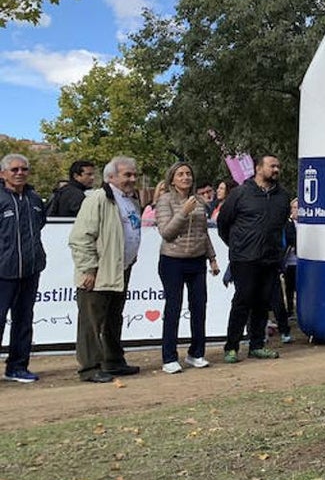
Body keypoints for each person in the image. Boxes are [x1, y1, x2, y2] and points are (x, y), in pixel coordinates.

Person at [69, 156, 143, 383]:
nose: (132, 179)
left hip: (121, 268)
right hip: (99, 271)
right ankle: (90, 367)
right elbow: (81, 237)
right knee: (91, 320)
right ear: (110, 177)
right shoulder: (98, 199)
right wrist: (88, 269)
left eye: (134, 174)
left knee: (113, 318)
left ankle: (113, 360)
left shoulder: (130, 200)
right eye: (127, 175)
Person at [216, 155, 291, 363]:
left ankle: (257, 345)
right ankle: (231, 347)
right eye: (272, 166)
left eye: (278, 166)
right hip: (244, 259)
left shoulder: (283, 196)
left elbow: (281, 224)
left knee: (262, 303)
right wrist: (237, 246)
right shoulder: (240, 194)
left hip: (270, 259)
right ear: (258, 168)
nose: (276, 169)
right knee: (242, 301)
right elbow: (223, 223)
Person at [155, 162, 220, 373]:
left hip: (197, 260)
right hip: (173, 260)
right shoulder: (165, 201)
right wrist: (183, 211)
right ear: (172, 179)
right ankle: (169, 357)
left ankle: (196, 352)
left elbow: (204, 232)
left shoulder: (199, 200)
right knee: (173, 307)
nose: (185, 177)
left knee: (199, 307)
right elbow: (166, 232)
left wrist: (212, 258)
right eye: (180, 174)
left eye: (188, 174)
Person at [0, 154, 47, 383]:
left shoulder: (35, 199)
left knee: (24, 320)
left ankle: (17, 367)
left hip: (30, 270)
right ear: (3, 174)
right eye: (14, 169)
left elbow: (40, 225)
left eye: (24, 169)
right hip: (3, 272)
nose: (19, 173)